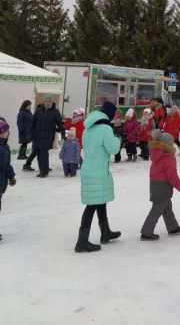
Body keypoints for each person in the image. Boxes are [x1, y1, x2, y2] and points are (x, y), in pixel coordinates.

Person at [74, 101, 122, 253]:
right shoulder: (106, 128)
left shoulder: (88, 128)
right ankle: (81, 241)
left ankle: (105, 232)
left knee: (100, 201)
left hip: (89, 169)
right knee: (92, 205)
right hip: (98, 171)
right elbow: (113, 149)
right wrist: (117, 139)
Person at [140, 130, 180, 241]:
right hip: (163, 186)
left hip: (155, 185)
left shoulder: (157, 155)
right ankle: (146, 232)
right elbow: (172, 176)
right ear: (168, 145)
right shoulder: (168, 158)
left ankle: (172, 228)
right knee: (157, 209)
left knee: (167, 207)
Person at [27, 94, 64, 178]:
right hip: (37, 136)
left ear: (52, 102)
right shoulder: (38, 110)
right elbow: (33, 123)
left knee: (44, 153)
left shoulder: (55, 112)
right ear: (43, 102)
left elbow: (60, 124)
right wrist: (30, 134)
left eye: (49, 101)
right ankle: (41, 171)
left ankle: (45, 171)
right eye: (46, 101)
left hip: (48, 136)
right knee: (39, 153)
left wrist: (63, 133)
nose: (48, 103)